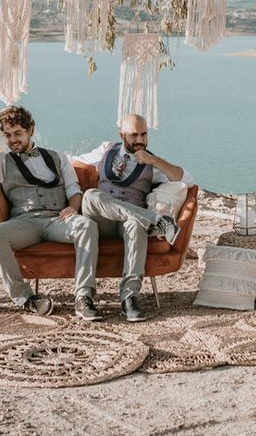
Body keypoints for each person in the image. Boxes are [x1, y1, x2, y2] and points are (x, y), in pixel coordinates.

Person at [0, 106, 103, 321]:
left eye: (17, 133)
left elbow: (74, 189)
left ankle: (83, 296)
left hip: (57, 220)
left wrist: (73, 207)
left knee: (87, 225)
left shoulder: (57, 157)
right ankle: (26, 299)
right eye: (7, 135)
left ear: (30, 130)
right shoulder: (2, 163)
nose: (12, 140)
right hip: (25, 222)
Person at [74, 113, 193, 322]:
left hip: (127, 222)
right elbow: (71, 162)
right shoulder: (105, 150)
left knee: (136, 226)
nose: (140, 140)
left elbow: (186, 180)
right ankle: (156, 221)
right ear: (122, 135)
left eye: (144, 134)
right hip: (100, 219)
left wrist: (154, 160)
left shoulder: (151, 163)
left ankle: (129, 298)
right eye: (133, 135)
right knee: (91, 195)